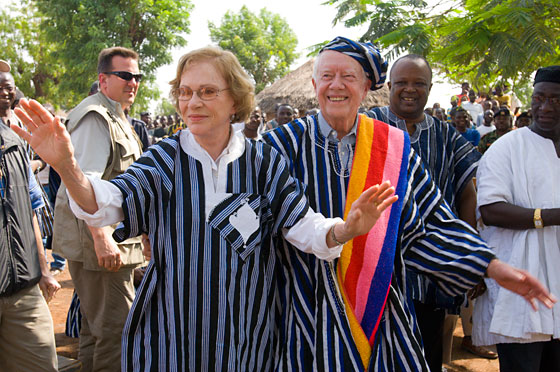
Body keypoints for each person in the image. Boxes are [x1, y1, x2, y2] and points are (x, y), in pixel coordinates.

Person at [13, 46, 399, 372]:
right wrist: (67, 166)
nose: (192, 102)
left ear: (235, 99)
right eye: (185, 92)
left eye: (207, 91)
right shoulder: (164, 159)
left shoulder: (264, 163)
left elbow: (306, 228)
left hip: (247, 340)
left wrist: (346, 229)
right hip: (170, 339)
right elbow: (107, 204)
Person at [261, 37, 554, 371]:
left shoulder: (391, 147)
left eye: (348, 77)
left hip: (379, 314)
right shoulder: (279, 146)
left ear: (367, 86)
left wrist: (490, 266)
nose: (336, 85)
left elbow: (429, 224)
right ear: (314, 84)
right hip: (303, 311)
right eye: (327, 76)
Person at [367, 53, 486, 370]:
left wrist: (465, 255)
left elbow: (466, 194)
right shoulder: (366, 126)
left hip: (430, 275)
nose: (410, 89)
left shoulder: (447, 137)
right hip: (372, 270)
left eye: (418, 83)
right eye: (402, 83)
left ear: (429, 89)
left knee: (427, 355)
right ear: (390, 85)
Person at [50, 47, 146, 371]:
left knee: (95, 329)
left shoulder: (116, 113)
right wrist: (102, 237)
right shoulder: (95, 116)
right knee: (118, 332)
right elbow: (83, 183)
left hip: (112, 241)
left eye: (137, 76)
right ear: (103, 80)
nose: (133, 82)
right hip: (102, 244)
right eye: (125, 76)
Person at [473, 65, 560, 371]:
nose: (545, 107)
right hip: (521, 290)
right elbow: (490, 210)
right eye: (539, 98)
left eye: (555, 100)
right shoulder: (507, 148)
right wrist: (551, 216)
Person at [0, 59, 60, 371]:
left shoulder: (15, 141)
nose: (4, 87)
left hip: (23, 288)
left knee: (41, 363)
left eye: (7, 83)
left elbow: (31, 209)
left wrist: (45, 268)